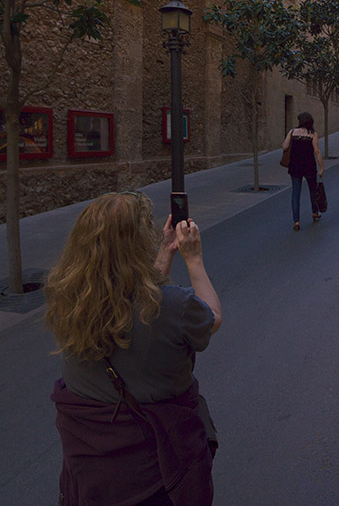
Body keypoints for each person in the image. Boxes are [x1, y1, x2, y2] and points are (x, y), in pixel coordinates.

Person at [45, 191, 222, 506]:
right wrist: (193, 259)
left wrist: (165, 254)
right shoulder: (174, 307)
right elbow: (211, 318)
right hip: (159, 477)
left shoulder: (68, 300)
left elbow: (133, 300)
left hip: (92, 479)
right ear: (139, 243)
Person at [282, 111, 325, 231]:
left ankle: (296, 221)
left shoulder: (292, 132)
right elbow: (317, 151)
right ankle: (315, 212)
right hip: (309, 166)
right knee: (312, 190)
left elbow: (284, 146)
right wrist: (321, 168)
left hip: (295, 166)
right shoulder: (313, 134)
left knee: (295, 193)